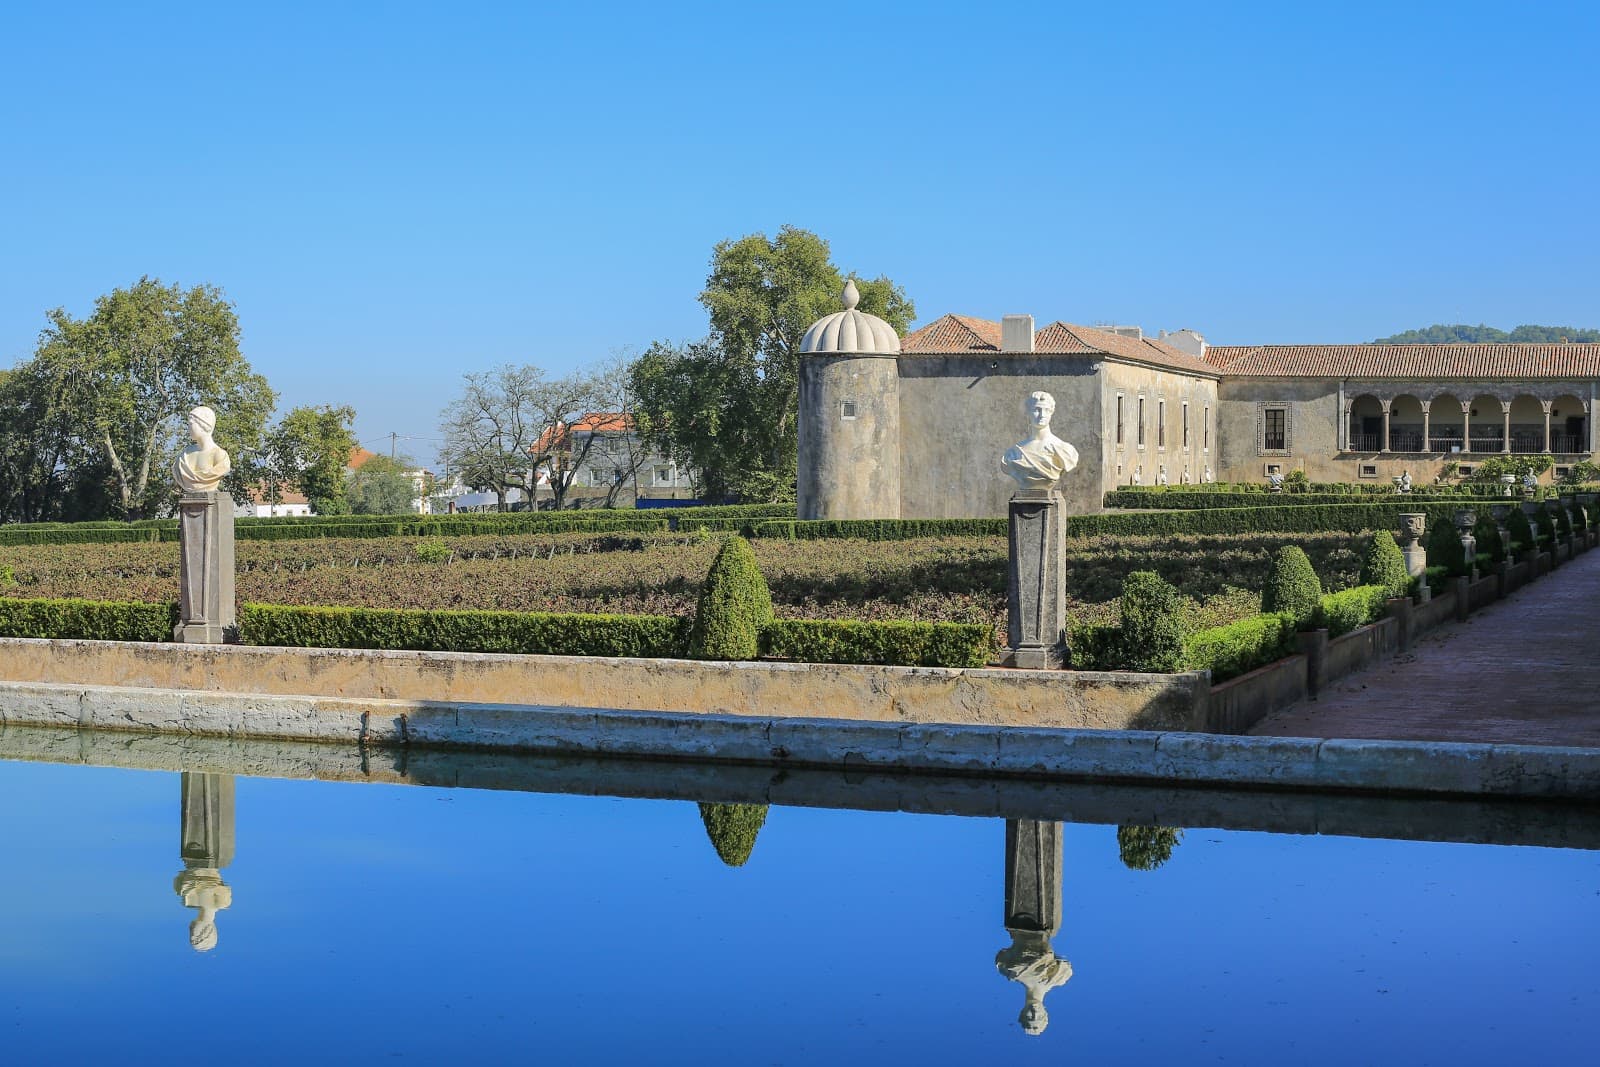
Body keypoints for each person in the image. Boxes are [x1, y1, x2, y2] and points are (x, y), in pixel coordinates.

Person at [1001, 391, 1079, 489]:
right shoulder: (1013, 454)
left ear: (1051, 412)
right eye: (1037, 409)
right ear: (1028, 412)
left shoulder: (1065, 450)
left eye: (1046, 410)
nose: (1042, 415)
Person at [173, 406, 231, 493]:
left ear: (204, 425)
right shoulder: (184, 455)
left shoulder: (220, 456)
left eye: (191, 424)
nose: (188, 428)